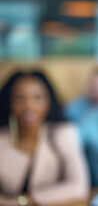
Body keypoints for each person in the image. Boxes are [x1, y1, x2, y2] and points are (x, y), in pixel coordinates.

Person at [0, 71, 89, 205]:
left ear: (49, 102)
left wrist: (22, 201)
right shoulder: (2, 139)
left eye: (37, 97)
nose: (29, 106)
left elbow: (79, 187)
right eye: (19, 98)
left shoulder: (63, 134)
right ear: (9, 103)